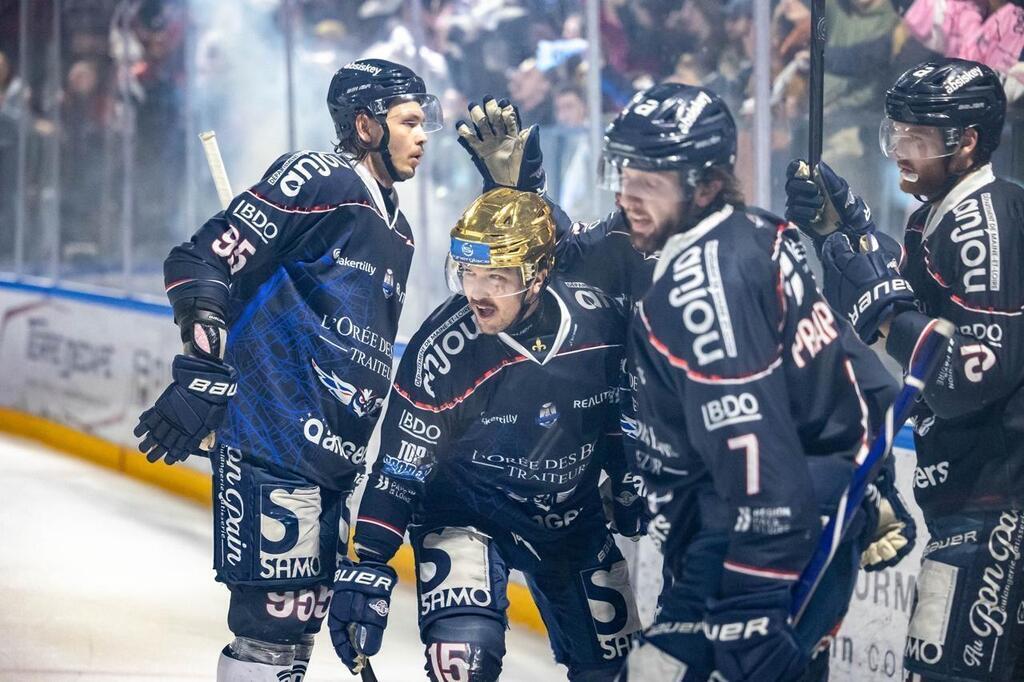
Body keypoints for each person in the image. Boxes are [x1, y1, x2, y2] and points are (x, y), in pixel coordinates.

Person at [458, 84, 910, 681]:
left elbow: (754, 479)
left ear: (704, 184)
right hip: (786, 524)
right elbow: (860, 380)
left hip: (762, 550)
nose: (628, 193)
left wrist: (728, 612)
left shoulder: (704, 285)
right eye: (623, 172)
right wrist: (516, 198)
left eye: (651, 178)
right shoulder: (760, 236)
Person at [132, 58, 443, 681]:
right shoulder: (319, 178)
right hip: (273, 438)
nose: (423, 135)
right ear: (365, 125)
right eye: (409, 121)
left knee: (299, 631)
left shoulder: (401, 232)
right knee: (268, 631)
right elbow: (200, 260)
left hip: (332, 459)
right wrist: (204, 368)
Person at [328, 188, 646, 681]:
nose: (476, 292)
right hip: (466, 514)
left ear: (539, 275)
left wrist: (628, 477)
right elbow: (399, 468)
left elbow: (613, 415)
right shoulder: (446, 348)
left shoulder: (601, 322)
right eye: (469, 273)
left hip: (569, 518)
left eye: (496, 277)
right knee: (463, 661)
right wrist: (367, 562)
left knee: (621, 672)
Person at [785, 57, 1024, 682]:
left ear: (966, 141)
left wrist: (884, 305)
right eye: (895, 134)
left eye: (915, 138)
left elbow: (973, 376)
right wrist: (849, 232)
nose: (898, 152)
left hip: (999, 501)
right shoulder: (935, 217)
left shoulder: (982, 220)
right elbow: (897, 296)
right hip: (975, 494)